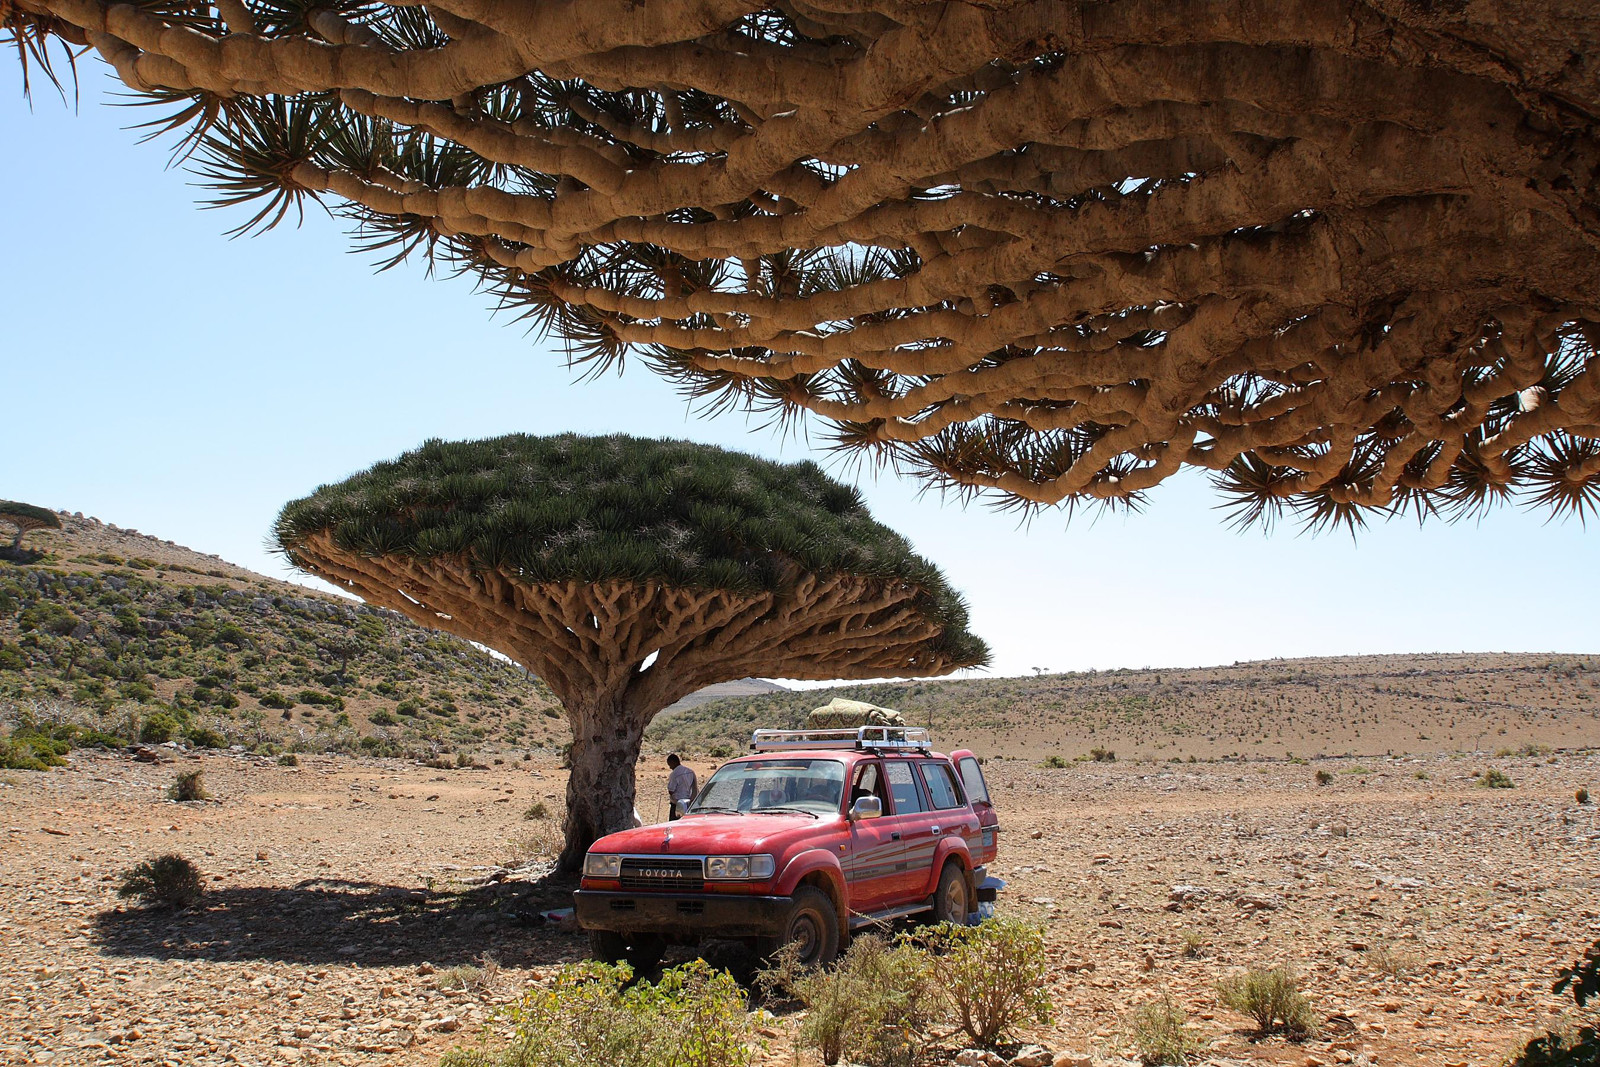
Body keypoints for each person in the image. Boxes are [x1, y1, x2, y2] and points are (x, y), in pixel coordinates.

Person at [666, 753, 697, 820]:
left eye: (670, 764)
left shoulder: (674, 774)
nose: (670, 767)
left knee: (674, 824)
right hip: (689, 803)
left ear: (673, 762)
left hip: (677, 804)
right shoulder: (690, 772)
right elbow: (695, 788)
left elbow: (671, 790)